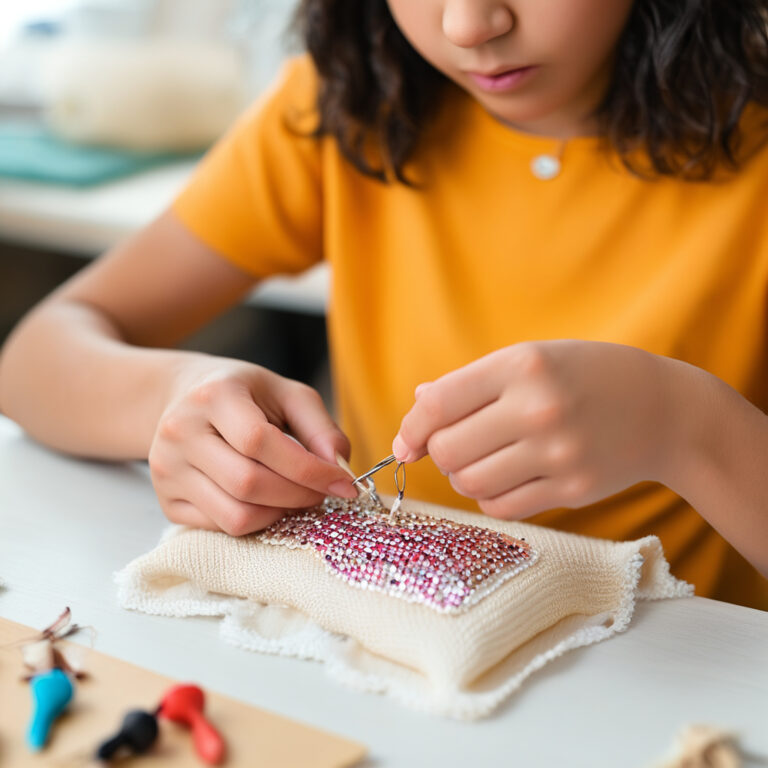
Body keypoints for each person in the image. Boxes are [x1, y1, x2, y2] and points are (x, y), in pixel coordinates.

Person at [1, 0, 767, 609]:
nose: (472, 25)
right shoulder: (341, 106)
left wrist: (683, 426)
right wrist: (173, 401)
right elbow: (33, 360)